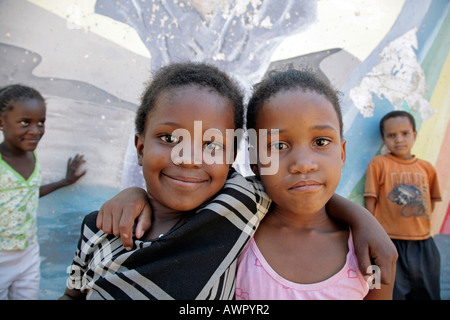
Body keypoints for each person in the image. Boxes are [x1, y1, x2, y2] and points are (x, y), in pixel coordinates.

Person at [63, 62, 397, 300]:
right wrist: (132, 193)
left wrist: (364, 220)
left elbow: (305, 199)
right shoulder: (97, 228)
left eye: (211, 145)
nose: (190, 158)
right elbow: (74, 289)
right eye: (168, 138)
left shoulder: (375, 257)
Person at [234, 68, 393, 299]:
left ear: (342, 152)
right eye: (279, 146)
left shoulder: (373, 255)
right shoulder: (234, 240)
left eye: (320, 141)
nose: (304, 164)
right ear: (255, 161)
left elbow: (381, 290)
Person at [0, 84, 87, 300]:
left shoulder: (32, 156)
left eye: (41, 122)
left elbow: (27, 194)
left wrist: (65, 181)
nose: (36, 130)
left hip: (28, 252)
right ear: (1, 123)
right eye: (25, 122)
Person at [364, 110, 441, 300]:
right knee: (393, 292)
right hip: (390, 242)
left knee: (427, 292)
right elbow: (371, 200)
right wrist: (373, 237)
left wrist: (419, 224)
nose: (399, 139)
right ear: (384, 138)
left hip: (423, 243)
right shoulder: (379, 163)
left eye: (405, 133)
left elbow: (431, 200)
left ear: (414, 135)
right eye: (392, 135)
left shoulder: (426, 167)